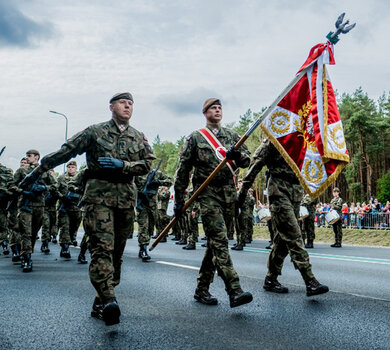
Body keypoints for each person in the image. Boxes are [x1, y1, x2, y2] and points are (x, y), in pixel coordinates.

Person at [20, 92, 155, 325]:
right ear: (111, 107)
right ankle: (110, 299)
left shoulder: (138, 137)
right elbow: (67, 150)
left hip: (125, 200)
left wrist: (124, 165)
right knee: (102, 248)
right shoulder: (95, 132)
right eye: (122, 102)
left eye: (131, 103)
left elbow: (148, 164)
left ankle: (101, 298)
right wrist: (36, 172)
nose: (127, 106)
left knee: (116, 254)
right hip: (98, 197)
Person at [174, 97, 253, 308]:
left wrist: (237, 156)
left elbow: (247, 159)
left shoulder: (233, 136)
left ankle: (201, 289)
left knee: (215, 242)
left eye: (220, 108)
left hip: (228, 195)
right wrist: (179, 201)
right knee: (219, 240)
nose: (217, 111)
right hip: (206, 194)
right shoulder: (196, 138)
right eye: (213, 108)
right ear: (205, 112)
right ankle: (234, 290)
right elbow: (182, 171)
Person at [238, 139, 328, 297]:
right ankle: (310, 280)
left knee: (282, 240)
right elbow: (255, 165)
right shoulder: (272, 141)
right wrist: (243, 192)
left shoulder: (301, 139)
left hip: (295, 191)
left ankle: (270, 279)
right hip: (278, 190)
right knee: (294, 235)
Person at [12, 149, 56, 271]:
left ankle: (25, 251)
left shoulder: (45, 172)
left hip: (39, 206)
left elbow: (55, 185)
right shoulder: (22, 171)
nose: (27, 158)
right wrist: (23, 192)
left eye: (29, 156)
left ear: (37, 157)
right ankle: (27, 259)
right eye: (26, 156)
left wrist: (44, 187)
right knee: (26, 232)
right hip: (25, 206)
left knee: (34, 232)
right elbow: (12, 185)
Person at [135, 169, 172, 261]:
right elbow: (129, 185)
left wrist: (158, 182)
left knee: (150, 227)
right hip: (142, 203)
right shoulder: (137, 173)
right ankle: (144, 249)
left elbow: (169, 181)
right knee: (143, 226)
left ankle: (142, 247)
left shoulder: (157, 173)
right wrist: (138, 193)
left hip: (152, 205)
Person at [56, 161, 83, 259]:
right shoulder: (61, 178)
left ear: (76, 168)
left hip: (77, 208)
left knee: (73, 228)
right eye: (69, 167)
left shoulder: (80, 178)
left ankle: (68, 242)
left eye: (72, 167)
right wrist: (62, 197)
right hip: (64, 207)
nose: (70, 169)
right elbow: (54, 189)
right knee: (65, 227)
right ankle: (65, 248)